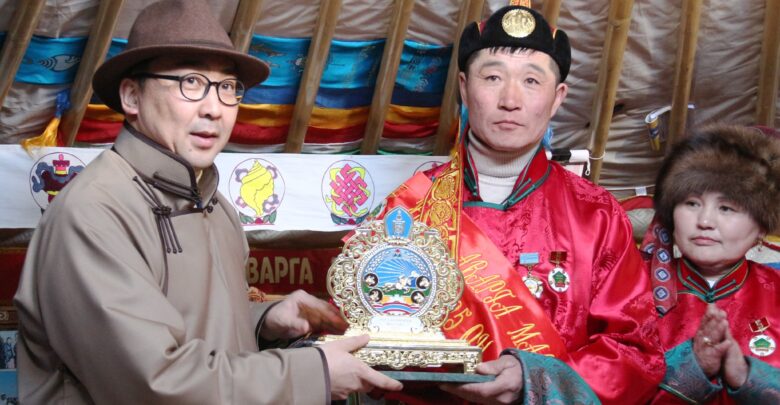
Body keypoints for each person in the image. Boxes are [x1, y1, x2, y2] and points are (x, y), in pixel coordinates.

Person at [13, 1, 401, 403]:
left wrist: (263, 321)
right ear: (132, 96)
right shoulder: (93, 212)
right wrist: (311, 373)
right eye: (191, 82)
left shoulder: (215, 207)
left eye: (228, 87)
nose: (215, 109)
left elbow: (193, 331)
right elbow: (152, 382)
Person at [371, 5, 664, 404]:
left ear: (558, 97)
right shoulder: (408, 210)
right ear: (464, 88)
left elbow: (637, 352)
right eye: (492, 77)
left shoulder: (595, 215)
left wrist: (535, 378)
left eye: (531, 81)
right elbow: (367, 332)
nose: (510, 99)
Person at [642, 124, 780, 403]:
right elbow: (605, 388)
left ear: (762, 227)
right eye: (691, 203)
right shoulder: (631, 290)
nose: (704, 221)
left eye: (726, 208)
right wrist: (693, 369)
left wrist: (747, 376)